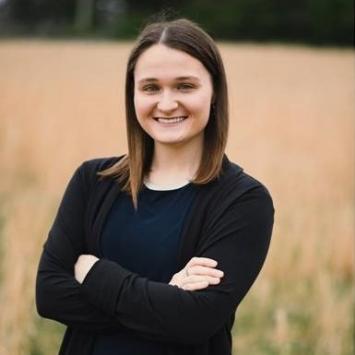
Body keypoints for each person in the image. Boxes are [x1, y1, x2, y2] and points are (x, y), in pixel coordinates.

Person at [35, 17, 274, 355]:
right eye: (150, 87)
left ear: (215, 92)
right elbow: (50, 295)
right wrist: (165, 295)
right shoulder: (92, 181)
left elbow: (194, 320)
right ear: (132, 94)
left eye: (185, 86)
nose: (165, 103)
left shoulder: (243, 201)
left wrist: (95, 273)